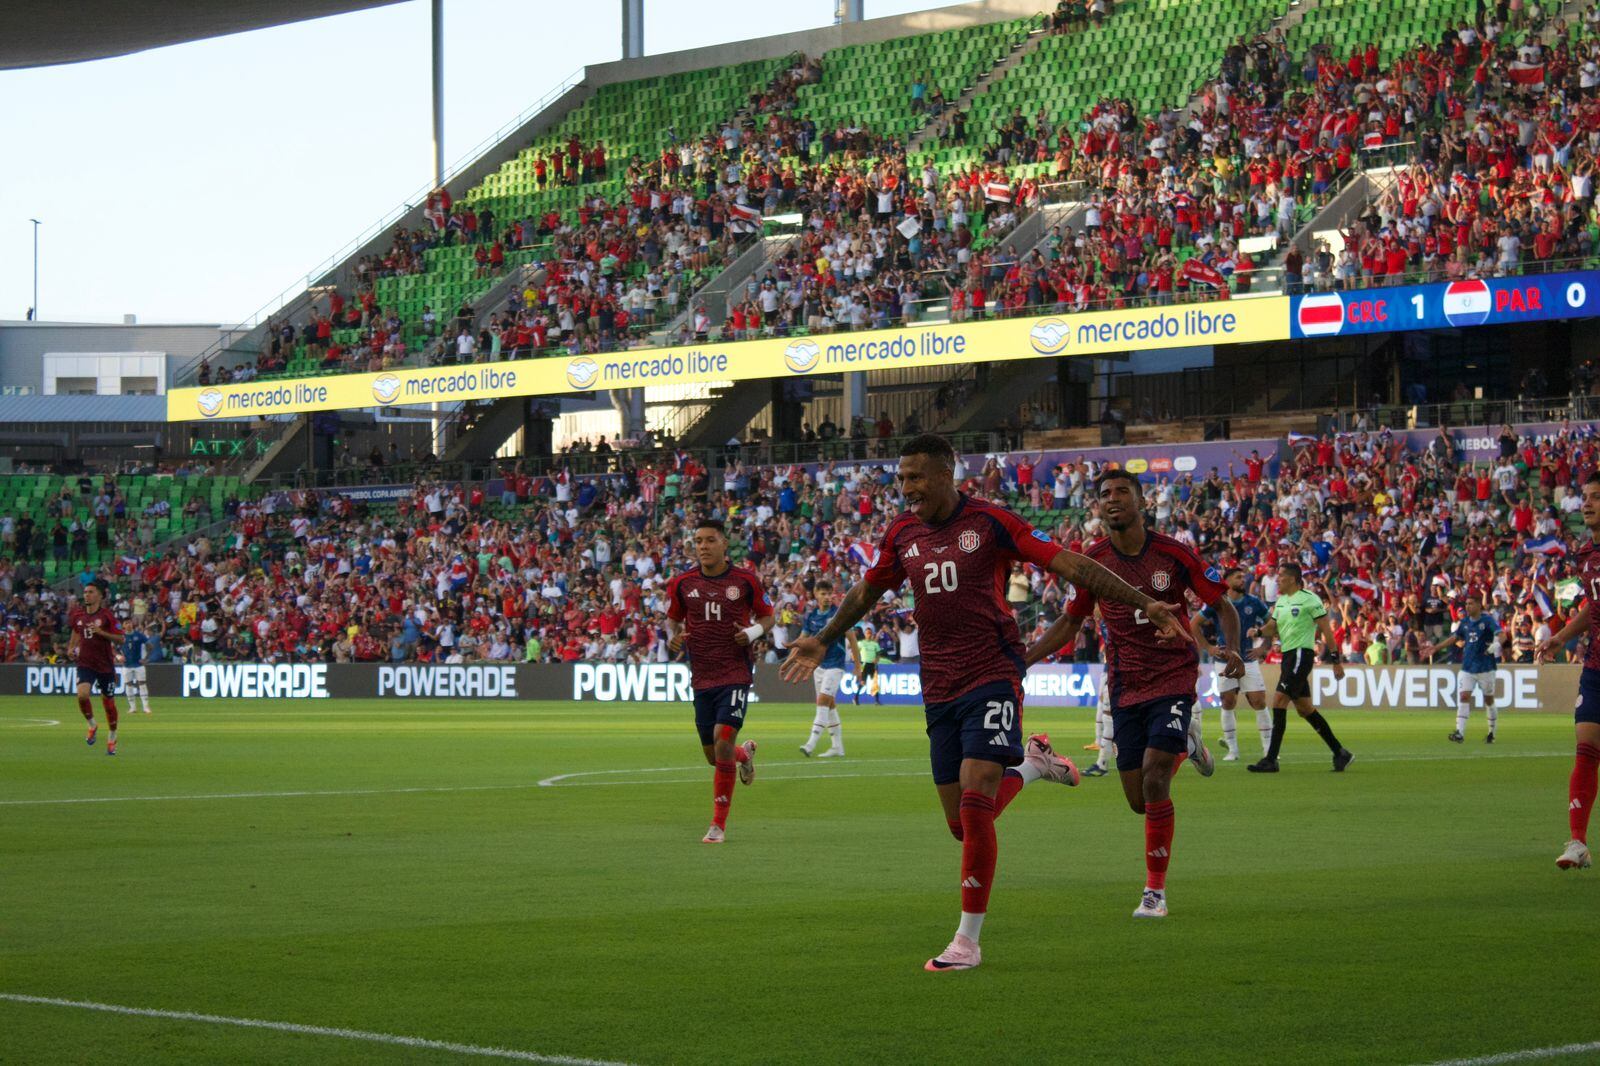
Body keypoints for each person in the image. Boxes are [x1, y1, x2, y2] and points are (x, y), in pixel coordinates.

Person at [781, 434, 1186, 971]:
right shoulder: (902, 532)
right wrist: (826, 636)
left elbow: (1071, 565)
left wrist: (1144, 602)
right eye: (902, 479)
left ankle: (967, 940)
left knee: (976, 802)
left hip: (993, 674)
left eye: (917, 477)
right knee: (963, 824)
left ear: (948, 473)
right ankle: (1035, 766)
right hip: (939, 687)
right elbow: (869, 589)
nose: (907, 489)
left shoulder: (992, 522)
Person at [1026, 468, 1242, 920]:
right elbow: (1071, 621)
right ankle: (1188, 743)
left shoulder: (1173, 553)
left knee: (1156, 777)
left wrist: (1233, 651)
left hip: (1173, 676)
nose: (1112, 499)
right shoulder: (1093, 559)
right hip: (1125, 683)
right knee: (1138, 800)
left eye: (1123, 491)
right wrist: (1024, 659)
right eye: (1104, 494)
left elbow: (1221, 604)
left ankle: (1154, 892)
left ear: (1142, 503)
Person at [665, 519, 774, 844]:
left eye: (710, 540)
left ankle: (717, 825)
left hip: (735, 674)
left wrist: (751, 633)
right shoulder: (683, 582)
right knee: (716, 755)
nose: (703, 546)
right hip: (702, 677)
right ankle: (746, 755)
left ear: (724, 544)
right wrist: (673, 638)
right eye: (698, 540)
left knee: (722, 740)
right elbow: (673, 619)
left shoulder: (745, 581)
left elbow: (768, 616)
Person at [1535, 472, 1600, 871]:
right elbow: (1594, 608)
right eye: (1586, 497)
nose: (1587, 503)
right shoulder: (1586, 556)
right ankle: (1578, 841)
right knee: (1585, 748)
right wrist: (1561, 636)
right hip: (1596, 665)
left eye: (1595, 497)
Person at [1248, 564, 1353, 774]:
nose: (1277, 580)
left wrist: (1336, 660)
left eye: (1281, 577)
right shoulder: (1282, 601)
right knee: (1305, 709)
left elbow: (1326, 630)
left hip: (1300, 655)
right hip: (1289, 656)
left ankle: (1271, 759)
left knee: (1278, 701)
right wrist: (1259, 631)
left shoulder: (1309, 599)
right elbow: (1273, 627)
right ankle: (1340, 752)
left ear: (1293, 579)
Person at [1199, 567, 1272, 761]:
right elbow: (1193, 624)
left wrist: (1263, 647)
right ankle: (1233, 750)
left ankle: (1268, 750)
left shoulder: (1254, 602)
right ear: (1227, 580)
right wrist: (1209, 647)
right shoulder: (1217, 602)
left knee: (1259, 701)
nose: (1243, 579)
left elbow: (1272, 625)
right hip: (1224, 660)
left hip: (1248, 659)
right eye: (1238, 577)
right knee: (1228, 702)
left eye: (1244, 577)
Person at [1427, 591, 1503, 744]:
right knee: (1463, 697)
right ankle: (1459, 733)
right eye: (1466, 604)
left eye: (1470, 604)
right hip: (1468, 666)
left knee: (1488, 700)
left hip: (1486, 667)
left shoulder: (1487, 620)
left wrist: (1496, 644)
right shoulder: (1465, 622)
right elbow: (1454, 637)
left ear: (1478, 605)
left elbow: (1502, 634)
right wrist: (1436, 647)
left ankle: (1491, 732)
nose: (1467, 606)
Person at [798, 580, 859, 758]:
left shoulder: (839, 614)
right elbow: (803, 639)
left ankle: (811, 743)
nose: (826, 597)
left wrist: (858, 666)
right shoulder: (811, 616)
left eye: (829, 594)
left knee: (823, 701)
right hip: (818, 666)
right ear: (815, 594)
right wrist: (795, 654)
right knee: (830, 706)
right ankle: (837, 747)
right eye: (823, 594)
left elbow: (852, 639)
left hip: (835, 665)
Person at [68, 580, 123, 756]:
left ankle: (112, 736)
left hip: (105, 665)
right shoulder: (78, 615)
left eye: (90, 592)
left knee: (108, 703)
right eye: (85, 592)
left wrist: (102, 633)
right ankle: (92, 724)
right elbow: (76, 631)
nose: (86, 595)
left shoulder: (107, 616)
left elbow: (120, 639)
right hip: (85, 663)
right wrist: (71, 647)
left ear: (99, 595)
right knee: (82, 694)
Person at [119, 621, 154, 715]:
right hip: (126, 665)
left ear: (132, 624)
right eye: (126, 623)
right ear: (123, 626)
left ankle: (146, 707)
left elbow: (150, 646)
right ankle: (132, 708)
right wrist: (118, 657)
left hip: (139, 664)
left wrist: (146, 659)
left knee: (142, 684)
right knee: (129, 685)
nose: (128, 624)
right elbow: (112, 648)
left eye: (129, 623)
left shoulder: (139, 635)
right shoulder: (120, 636)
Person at [853, 623, 881, 704]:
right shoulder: (861, 643)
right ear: (865, 634)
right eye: (867, 633)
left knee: (874, 683)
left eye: (870, 633)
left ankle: (877, 701)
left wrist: (876, 659)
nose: (869, 634)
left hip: (873, 665)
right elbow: (855, 651)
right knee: (863, 682)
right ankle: (856, 698)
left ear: (872, 634)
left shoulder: (875, 644)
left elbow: (878, 653)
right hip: (864, 664)